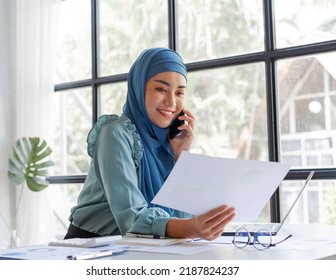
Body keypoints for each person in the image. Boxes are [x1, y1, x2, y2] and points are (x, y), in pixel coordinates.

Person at [64, 47, 235, 241]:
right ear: (139, 87)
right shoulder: (114, 134)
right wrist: (191, 227)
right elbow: (131, 218)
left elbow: (185, 213)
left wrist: (182, 156)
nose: (171, 102)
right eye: (161, 89)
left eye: (179, 93)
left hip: (146, 246)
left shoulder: (169, 143)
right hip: (92, 246)